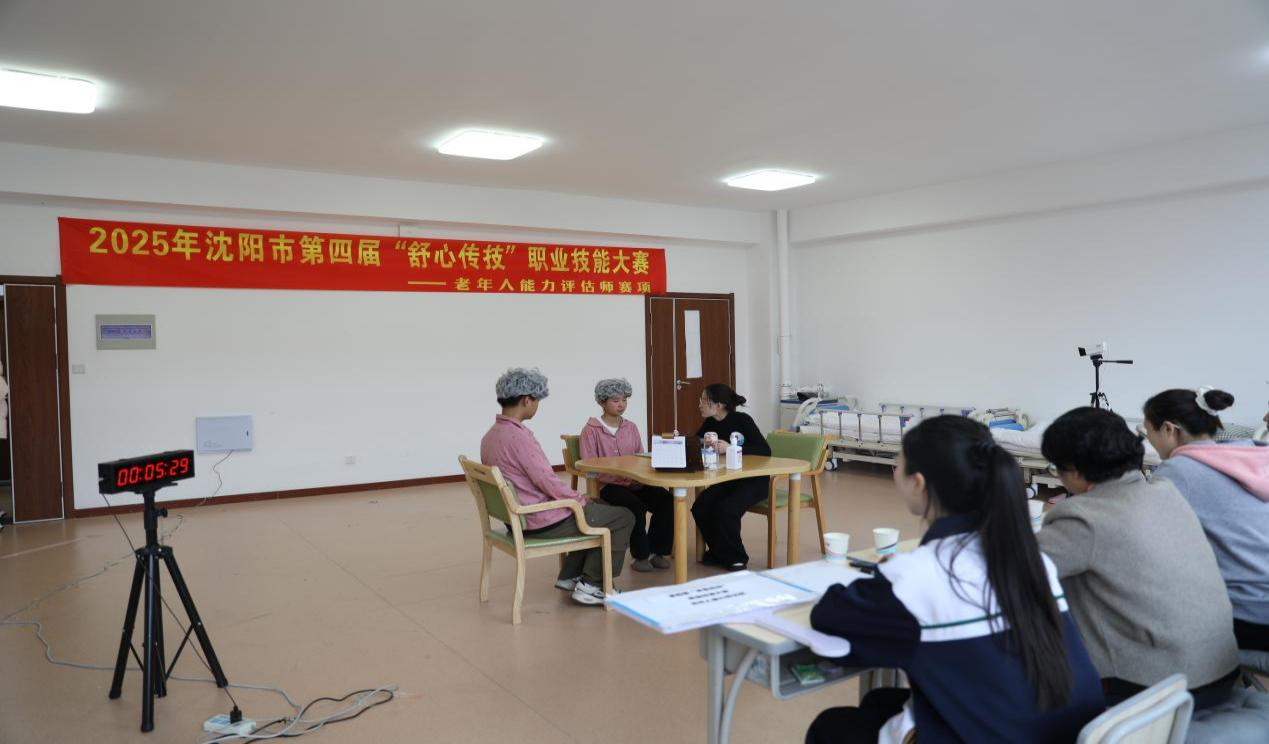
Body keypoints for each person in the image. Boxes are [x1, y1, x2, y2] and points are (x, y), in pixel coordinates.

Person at [807, 416, 1103, 744]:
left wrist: (887, 577)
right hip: (1066, 732)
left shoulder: (918, 576)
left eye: (898, 463)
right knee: (879, 701)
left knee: (831, 726)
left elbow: (828, 615)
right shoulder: (1032, 559)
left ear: (918, 483)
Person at [1037, 406, 1240, 708]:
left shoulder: (1084, 517)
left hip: (1155, 690)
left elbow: (1017, 570)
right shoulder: (1166, 491)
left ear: (1075, 471)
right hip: (1219, 671)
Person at [480, 368, 634, 606]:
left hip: (515, 518)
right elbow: (546, 481)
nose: (537, 406)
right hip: (537, 519)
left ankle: (570, 575)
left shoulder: (491, 435)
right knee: (623, 517)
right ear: (527, 400)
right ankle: (593, 585)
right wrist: (577, 499)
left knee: (598, 508)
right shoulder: (519, 438)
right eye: (537, 401)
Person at [1142, 387, 1269, 652]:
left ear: (1168, 429)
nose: (1149, 440)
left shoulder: (1177, 472)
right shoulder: (1254, 454)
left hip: (1250, 616)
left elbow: (1144, 543)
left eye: (1148, 431)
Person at [579, 378, 674, 572]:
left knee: (666, 500)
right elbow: (589, 466)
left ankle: (657, 551)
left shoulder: (631, 427)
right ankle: (640, 555)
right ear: (602, 402)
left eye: (624, 400)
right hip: (608, 486)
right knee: (634, 505)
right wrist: (620, 479)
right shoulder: (591, 430)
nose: (621, 404)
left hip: (635, 482)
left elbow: (640, 457)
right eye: (615, 400)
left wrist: (636, 479)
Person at [691, 383, 770, 571]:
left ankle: (736, 559)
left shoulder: (743, 420)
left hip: (754, 481)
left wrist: (731, 448)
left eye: (703, 400)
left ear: (718, 405)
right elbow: (695, 443)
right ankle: (720, 552)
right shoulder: (710, 423)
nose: (699, 404)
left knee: (726, 510)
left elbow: (764, 450)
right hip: (728, 480)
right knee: (701, 507)